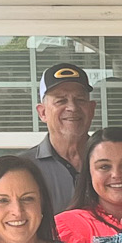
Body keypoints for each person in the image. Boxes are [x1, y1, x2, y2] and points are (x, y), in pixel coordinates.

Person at [30, 62, 98, 214]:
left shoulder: (112, 163)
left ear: (92, 109)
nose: (72, 108)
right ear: (42, 113)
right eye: (61, 101)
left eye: (80, 100)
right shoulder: (25, 168)